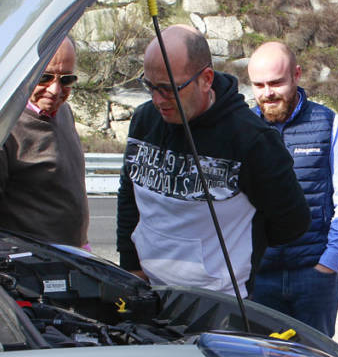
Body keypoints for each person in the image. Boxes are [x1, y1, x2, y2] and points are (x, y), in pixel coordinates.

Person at [117, 25, 309, 297]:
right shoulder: (144, 120)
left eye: (170, 88)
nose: (158, 100)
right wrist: (131, 264)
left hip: (218, 299)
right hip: (148, 287)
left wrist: (239, 248)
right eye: (150, 86)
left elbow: (292, 222)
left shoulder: (251, 139)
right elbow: (129, 194)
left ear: (206, 79)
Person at [246, 41, 338, 337]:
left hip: (313, 276)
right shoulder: (241, 128)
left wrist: (330, 261)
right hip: (258, 278)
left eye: (277, 83)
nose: (267, 93)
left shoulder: (328, 123)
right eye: (259, 85)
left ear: (297, 74)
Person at [0, 36, 89, 248]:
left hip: (70, 260)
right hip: (28, 269)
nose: (55, 90)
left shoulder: (64, 112)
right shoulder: (1, 130)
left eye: (66, 80)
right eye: (45, 77)